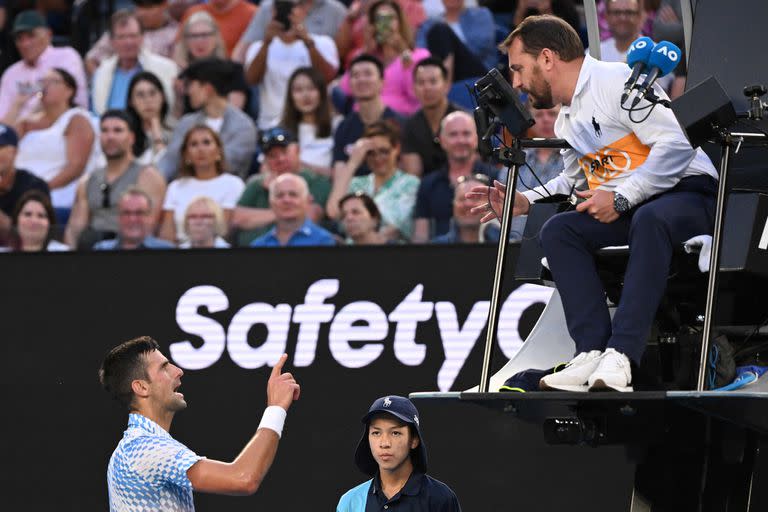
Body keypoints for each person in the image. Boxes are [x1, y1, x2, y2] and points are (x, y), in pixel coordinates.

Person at [468, 15, 718, 392]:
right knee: (560, 230)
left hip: (689, 197)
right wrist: (525, 201)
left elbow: (678, 145)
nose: (516, 83)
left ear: (548, 58)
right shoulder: (565, 121)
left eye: (519, 69)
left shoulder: (616, 81)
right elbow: (572, 182)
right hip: (637, 209)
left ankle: (621, 354)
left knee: (649, 218)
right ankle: (590, 352)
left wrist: (621, 197)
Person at [99, 337, 300, 509]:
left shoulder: (134, 448)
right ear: (141, 387)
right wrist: (276, 407)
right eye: (164, 367)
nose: (178, 371)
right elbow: (243, 478)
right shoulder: (144, 448)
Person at [336, 395, 461, 511]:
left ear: (414, 440)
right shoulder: (350, 501)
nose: (384, 443)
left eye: (395, 433)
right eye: (376, 433)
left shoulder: (440, 498)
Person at [65, 110, 167, 249]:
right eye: (105, 131)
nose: (110, 136)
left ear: (131, 137)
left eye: (118, 131)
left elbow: (149, 227)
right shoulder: (87, 181)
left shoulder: (148, 176)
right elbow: (74, 231)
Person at [10, 68, 96, 215]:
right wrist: (18, 104)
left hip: (55, 197)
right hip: (17, 194)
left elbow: (75, 167)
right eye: (42, 82)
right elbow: (3, 140)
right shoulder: (26, 122)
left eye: (53, 81)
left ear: (69, 91)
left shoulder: (76, 119)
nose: (45, 86)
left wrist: (39, 190)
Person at [244, 0, 339, 131]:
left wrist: (307, 42)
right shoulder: (258, 47)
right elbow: (251, 80)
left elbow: (327, 78)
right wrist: (267, 43)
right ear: (272, 12)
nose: (290, 13)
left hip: (314, 125)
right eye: (282, 7)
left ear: (305, 11)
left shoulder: (323, 43)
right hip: (271, 126)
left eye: (295, 7)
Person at [158, 58, 258, 180]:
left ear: (207, 89)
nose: (188, 92)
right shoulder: (186, 123)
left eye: (191, 85)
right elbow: (169, 161)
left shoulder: (243, 126)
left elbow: (228, 164)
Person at [232, 127, 330, 246]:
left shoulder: (316, 181)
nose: (280, 159)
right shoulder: (257, 183)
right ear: (265, 160)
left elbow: (310, 215)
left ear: (297, 151)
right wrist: (289, 210)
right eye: (272, 156)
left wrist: (276, 207)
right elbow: (236, 218)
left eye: (284, 152)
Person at [412, 111, 497, 243]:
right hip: (439, 256)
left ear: (476, 138)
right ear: (441, 140)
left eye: (466, 134)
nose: (460, 140)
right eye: (453, 134)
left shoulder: (495, 178)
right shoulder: (428, 184)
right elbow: (420, 236)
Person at [327, 120, 419, 242]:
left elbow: (395, 226)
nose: (378, 158)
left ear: (396, 148)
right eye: (370, 153)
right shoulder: (357, 183)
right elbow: (333, 212)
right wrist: (353, 162)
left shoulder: (410, 184)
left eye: (384, 151)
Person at [337, 0, 431, 116]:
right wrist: (366, 53)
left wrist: (404, 53)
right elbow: (346, 89)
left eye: (391, 18)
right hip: (365, 118)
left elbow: (416, 94)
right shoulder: (364, 55)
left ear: (400, 22)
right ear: (372, 25)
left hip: (401, 120)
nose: (386, 24)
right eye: (379, 19)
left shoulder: (419, 55)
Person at [159, 125, 245, 243]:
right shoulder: (175, 187)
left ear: (218, 150)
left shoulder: (233, 184)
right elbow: (166, 234)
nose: (200, 149)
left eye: (206, 142)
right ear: (186, 155)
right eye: (194, 144)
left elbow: (225, 230)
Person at [0, 10, 88, 120]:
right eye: (19, 38)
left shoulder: (66, 56)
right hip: (17, 134)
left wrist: (23, 124)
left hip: (62, 129)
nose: (25, 44)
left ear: (49, 34)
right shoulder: (11, 73)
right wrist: (17, 105)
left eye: (31, 36)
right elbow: (2, 123)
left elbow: (62, 104)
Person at [91, 10, 178, 114]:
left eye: (133, 36)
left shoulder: (166, 68)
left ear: (142, 37)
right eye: (121, 37)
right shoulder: (101, 72)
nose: (128, 42)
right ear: (111, 41)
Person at [332, 55, 403, 179]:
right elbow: (339, 173)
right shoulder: (344, 128)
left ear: (382, 82)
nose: (361, 80)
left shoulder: (400, 124)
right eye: (355, 75)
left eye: (368, 74)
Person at [172, 11, 249, 115]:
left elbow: (233, 112)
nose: (199, 41)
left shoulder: (234, 71)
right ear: (185, 41)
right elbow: (177, 118)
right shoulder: (181, 75)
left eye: (205, 35)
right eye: (193, 36)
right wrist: (179, 96)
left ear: (216, 37)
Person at [400, 57, 462, 177]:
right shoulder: (411, 126)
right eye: (421, 83)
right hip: (426, 190)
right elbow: (413, 175)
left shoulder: (464, 120)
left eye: (433, 82)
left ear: (446, 85)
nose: (427, 88)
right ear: (414, 88)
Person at [233, 0, 348, 62]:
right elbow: (240, 55)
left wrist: (306, 38)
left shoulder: (336, 11)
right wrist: (268, 41)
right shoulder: (268, 7)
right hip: (272, 78)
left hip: (318, 85)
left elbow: (340, 59)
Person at [85, 0, 179, 75]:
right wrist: (103, 84)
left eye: (149, 7)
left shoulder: (176, 32)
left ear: (165, 5)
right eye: (140, 6)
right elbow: (91, 60)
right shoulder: (123, 28)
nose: (143, 13)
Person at [416, 0, 496, 83]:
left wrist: (450, 46)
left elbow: (481, 47)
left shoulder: (480, 15)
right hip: (438, 67)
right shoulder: (429, 24)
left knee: (441, 31)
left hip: (477, 72)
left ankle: (443, 85)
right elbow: (422, 53)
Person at [279, 67, 338, 177]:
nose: (306, 95)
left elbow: (340, 173)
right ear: (290, 96)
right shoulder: (279, 127)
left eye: (311, 88)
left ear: (322, 93)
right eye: (298, 90)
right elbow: (265, 167)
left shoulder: (338, 125)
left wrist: (300, 166)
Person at [250, 173, 336, 247]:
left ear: (307, 201)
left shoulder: (324, 241)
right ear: (271, 204)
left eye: (293, 194)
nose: (286, 200)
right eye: (280, 195)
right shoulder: (259, 244)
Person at [0, 123, 49, 241]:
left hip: (20, 256)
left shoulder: (34, 186)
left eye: (1, 147)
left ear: (15, 151)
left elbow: (29, 237)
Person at [94, 187, 175, 250]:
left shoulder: (167, 250)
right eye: (126, 213)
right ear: (118, 217)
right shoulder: (101, 249)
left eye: (139, 213)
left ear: (150, 217)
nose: (132, 219)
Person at [432, 174, 499, 244]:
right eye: (462, 199)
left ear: (491, 205)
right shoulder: (434, 248)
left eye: (476, 198)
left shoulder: (506, 245)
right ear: (453, 205)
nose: (468, 204)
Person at [126, 72, 174, 166]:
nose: (148, 100)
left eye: (152, 94)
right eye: (140, 95)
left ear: (163, 97)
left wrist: (157, 135)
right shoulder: (125, 134)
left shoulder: (176, 131)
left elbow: (169, 169)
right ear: (131, 102)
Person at [178, 0, 258, 56]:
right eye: (196, 36)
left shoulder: (252, 14)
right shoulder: (193, 12)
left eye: (204, 35)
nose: (200, 40)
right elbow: (179, 49)